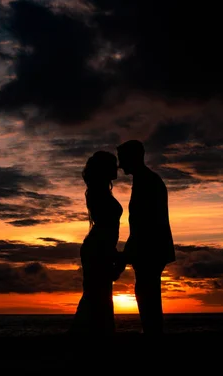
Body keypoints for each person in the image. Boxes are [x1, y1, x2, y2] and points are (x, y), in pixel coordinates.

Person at [114, 140, 176, 334]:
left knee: (147, 294)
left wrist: (125, 256)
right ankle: (152, 334)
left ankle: (153, 336)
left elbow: (143, 225)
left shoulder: (147, 182)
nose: (120, 165)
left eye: (122, 160)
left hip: (150, 250)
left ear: (134, 158)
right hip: (151, 250)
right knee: (146, 293)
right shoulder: (145, 180)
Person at [70, 151, 124, 334]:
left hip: (100, 246)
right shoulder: (98, 192)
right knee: (96, 296)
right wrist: (113, 254)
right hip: (98, 247)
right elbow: (105, 227)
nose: (117, 167)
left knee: (97, 295)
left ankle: (93, 336)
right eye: (113, 164)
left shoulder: (99, 190)